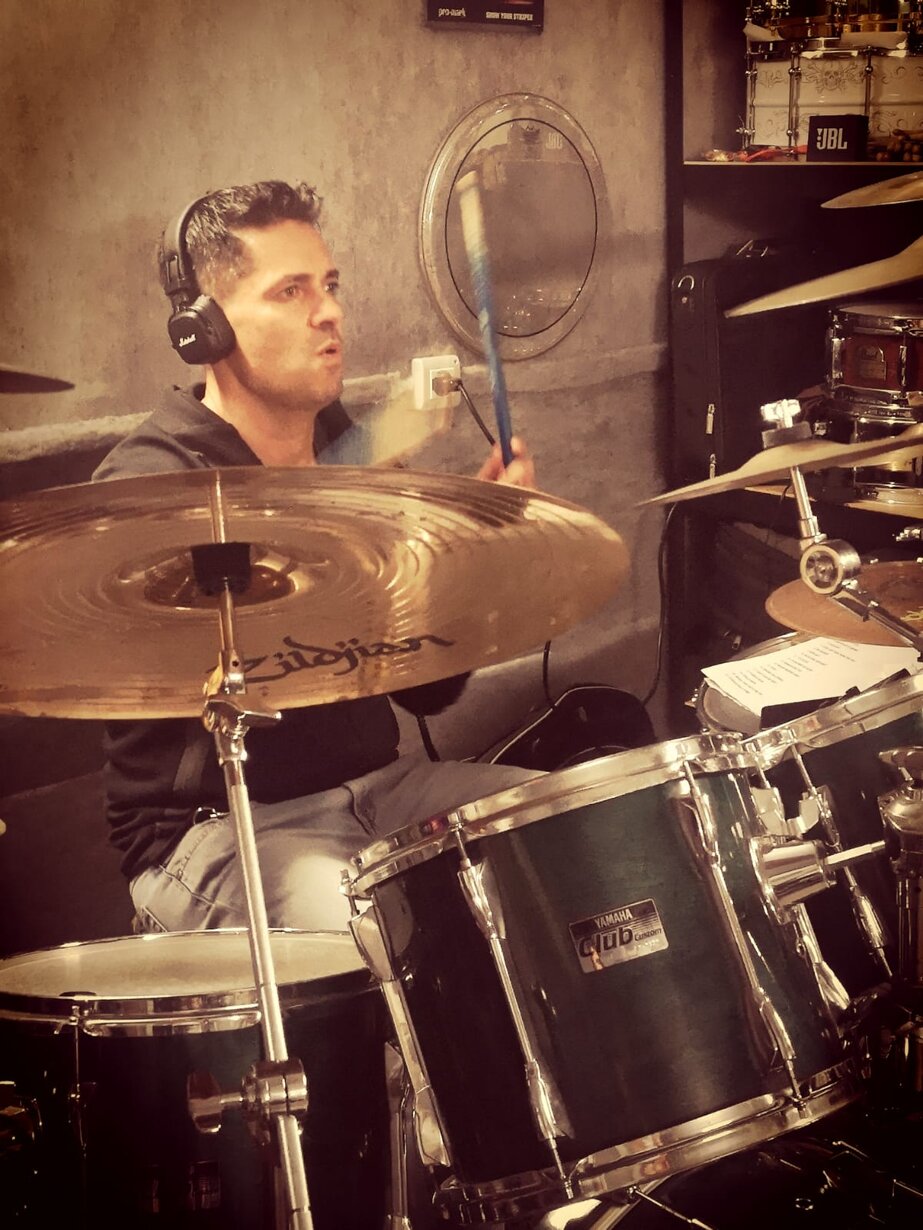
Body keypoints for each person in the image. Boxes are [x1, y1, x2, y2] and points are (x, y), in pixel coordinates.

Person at [93, 180, 539, 935]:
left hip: (384, 789)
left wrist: (472, 552)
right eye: (290, 291)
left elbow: (428, 694)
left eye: (329, 285)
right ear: (203, 329)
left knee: (574, 835)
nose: (329, 311)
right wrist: (343, 518)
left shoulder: (344, 450)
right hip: (220, 829)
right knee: (380, 934)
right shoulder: (150, 482)